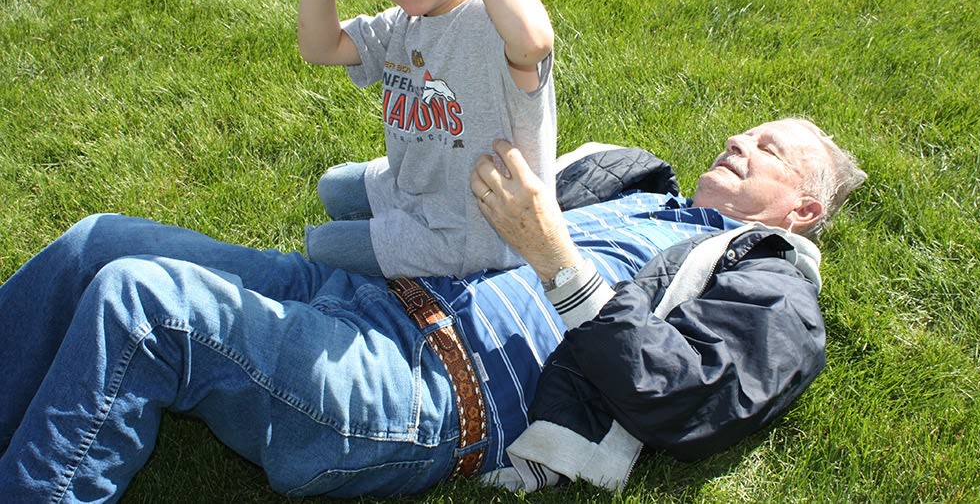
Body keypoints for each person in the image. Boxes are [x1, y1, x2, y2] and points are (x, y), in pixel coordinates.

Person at [0, 118, 865, 501]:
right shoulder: (639, 183)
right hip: (361, 297)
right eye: (746, 131)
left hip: (435, 387)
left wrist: (555, 255)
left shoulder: (776, 287)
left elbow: (688, 398)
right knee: (100, 242)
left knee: (145, 305)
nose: (740, 142)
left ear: (804, 208)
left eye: (770, 147)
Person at [297, 0, 556, 278]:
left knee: (321, 247)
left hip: (471, 231)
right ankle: (392, 215)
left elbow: (534, 41)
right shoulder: (406, 22)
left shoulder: (492, 22)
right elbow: (320, 48)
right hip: (416, 187)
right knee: (332, 187)